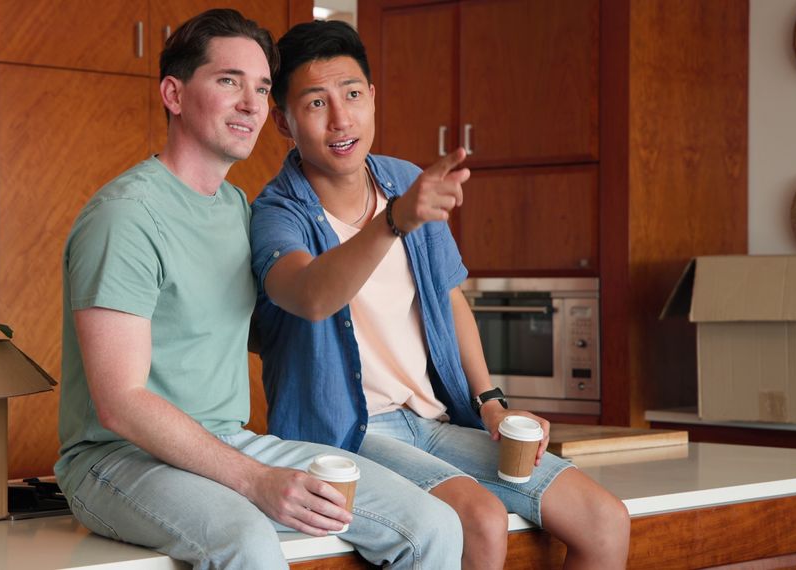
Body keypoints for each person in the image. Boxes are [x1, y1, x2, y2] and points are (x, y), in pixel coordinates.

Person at [54, 9, 464, 569]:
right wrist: (257, 480)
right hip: (116, 459)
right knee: (246, 541)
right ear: (174, 94)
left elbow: (296, 304)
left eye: (262, 87)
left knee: (433, 526)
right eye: (229, 82)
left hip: (224, 439)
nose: (251, 103)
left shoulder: (236, 210)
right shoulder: (125, 217)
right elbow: (120, 404)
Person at [250, 20, 631, 570]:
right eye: (315, 103)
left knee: (605, 520)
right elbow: (311, 295)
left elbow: (449, 300)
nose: (341, 119)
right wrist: (393, 223)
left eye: (353, 94)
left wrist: (492, 404)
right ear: (284, 120)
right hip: (345, 436)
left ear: (373, 98)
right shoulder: (276, 214)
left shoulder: (406, 181)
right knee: (477, 517)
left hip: (435, 421)